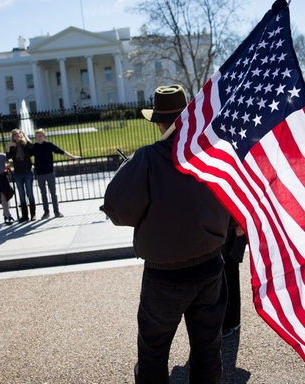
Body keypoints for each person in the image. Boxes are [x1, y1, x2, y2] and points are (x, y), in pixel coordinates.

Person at [103, 84, 231, 384]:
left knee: (153, 352)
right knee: (208, 348)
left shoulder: (147, 158)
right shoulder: (211, 151)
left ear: (159, 121)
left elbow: (118, 210)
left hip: (165, 275)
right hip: (211, 263)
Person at [32, 128, 81, 219]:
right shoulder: (34, 146)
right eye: (37, 136)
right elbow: (26, 155)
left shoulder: (49, 145)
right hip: (39, 174)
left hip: (49, 172)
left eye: (40, 136)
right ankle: (46, 212)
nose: (39, 138)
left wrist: (73, 157)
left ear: (44, 136)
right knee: (43, 193)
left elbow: (61, 151)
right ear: (35, 137)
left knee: (53, 193)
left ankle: (56, 211)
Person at [222, 221, 247, 338]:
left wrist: (243, 224)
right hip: (221, 229)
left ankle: (231, 322)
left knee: (230, 278)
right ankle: (228, 321)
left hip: (233, 232)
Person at [6, 128, 36, 222]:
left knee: (29, 193)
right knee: (21, 194)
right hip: (18, 173)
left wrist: (25, 137)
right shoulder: (13, 147)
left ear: (21, 134)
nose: (17, 136)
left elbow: (32, 147)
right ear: (13, 137)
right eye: (14, 135)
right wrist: (8, 146)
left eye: (18, 134)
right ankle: (24, 216)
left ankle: (33, 214)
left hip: (27, 172)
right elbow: (7, 157)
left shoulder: (26, 144)